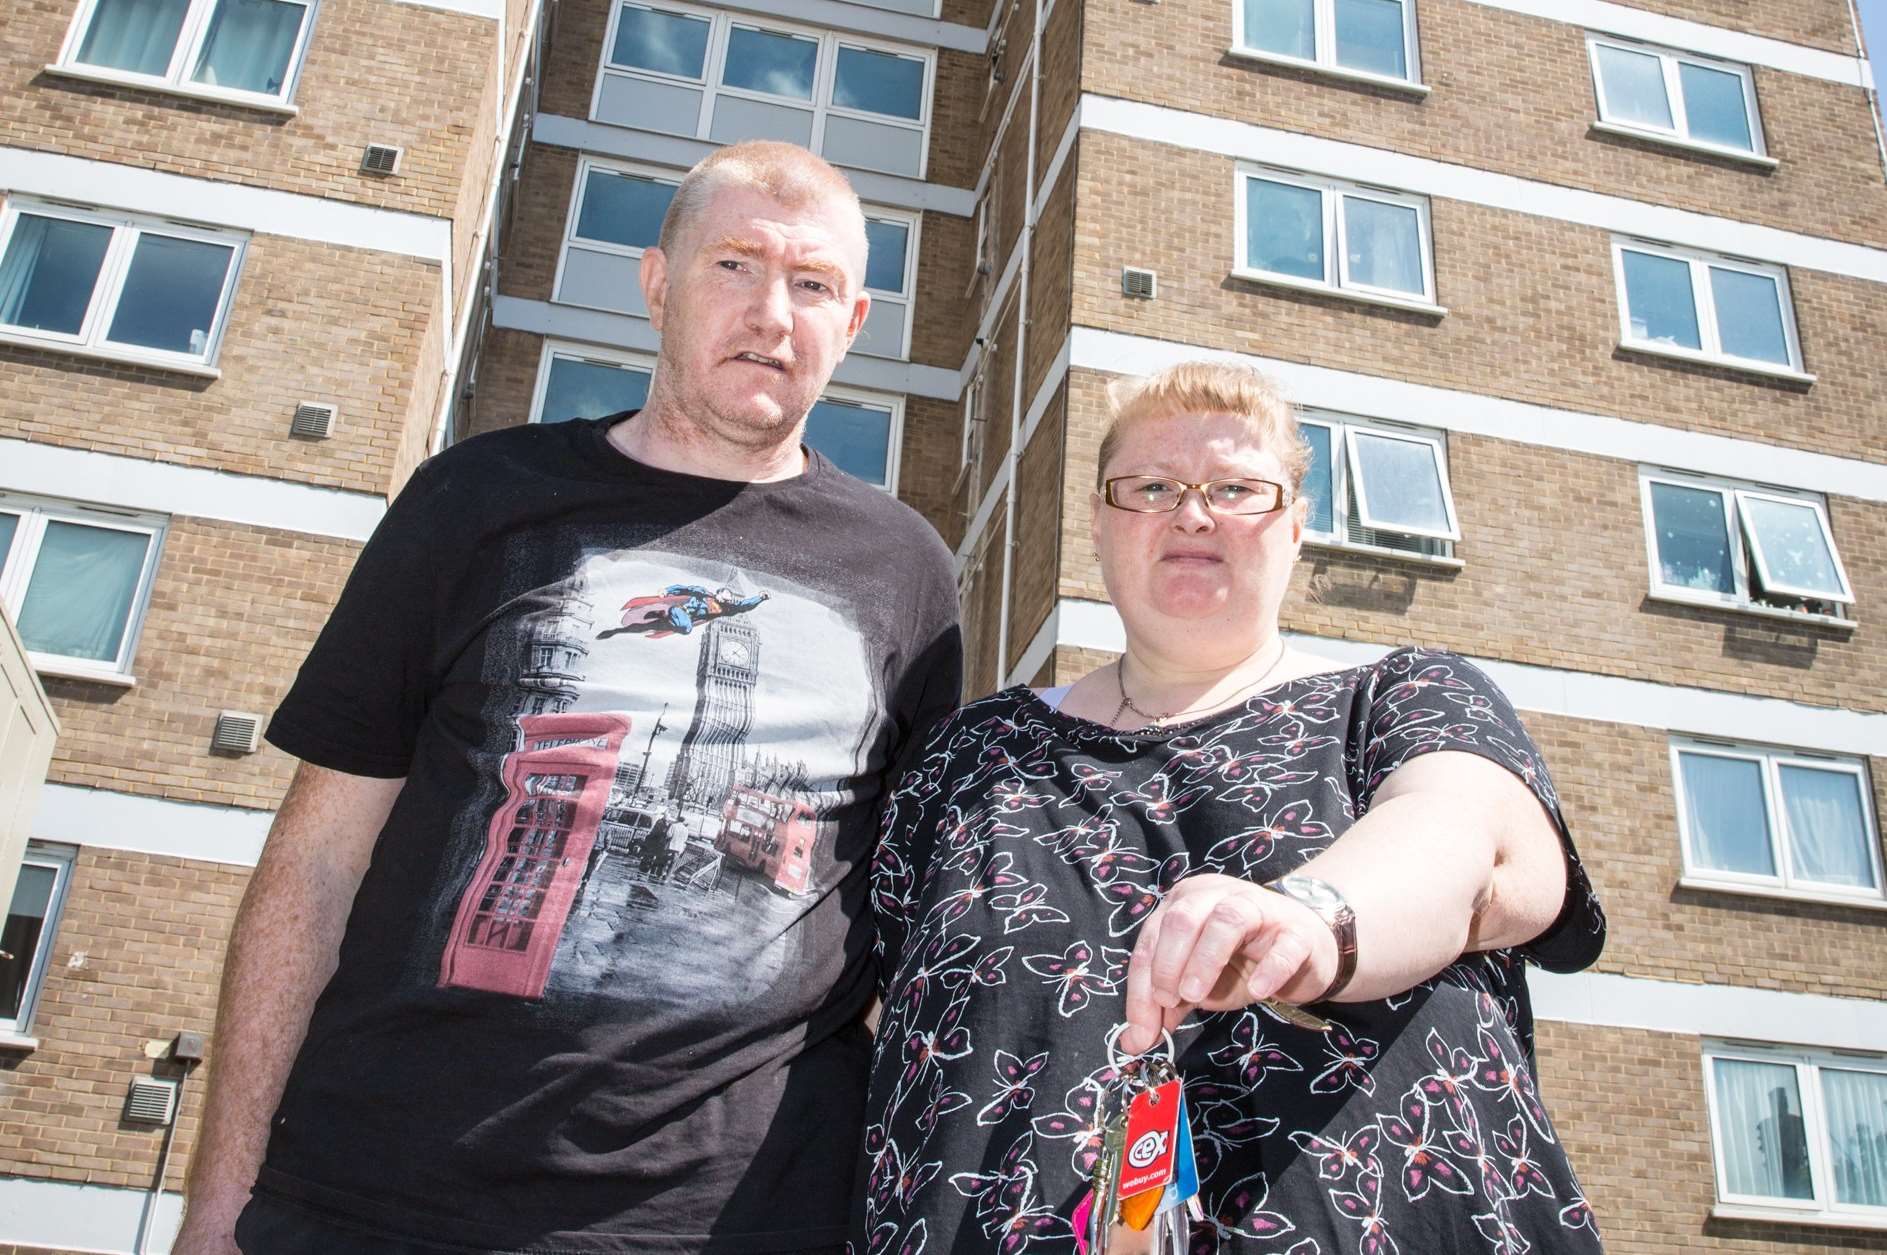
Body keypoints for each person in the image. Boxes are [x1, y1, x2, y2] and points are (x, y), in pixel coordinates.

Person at [175, 141, 962, 1255]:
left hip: (733, 1221)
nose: (772, 314)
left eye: (813, 283)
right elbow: (316, 863)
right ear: (656, 283)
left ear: (856, 321)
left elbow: (890, 925)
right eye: (733, 264)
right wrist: (219, 1204)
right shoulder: (478, 498)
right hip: (377, 1196)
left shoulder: (907, 572)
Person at [857, 362, 1607, 1254]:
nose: (1193, 512)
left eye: (1236, 488)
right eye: (1151, 487)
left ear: (1294, 526)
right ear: (1098, 522)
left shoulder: (1400, 698)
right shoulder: (967, 757)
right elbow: (867, 1014)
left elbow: (1477, 846)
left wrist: (1305, 918)